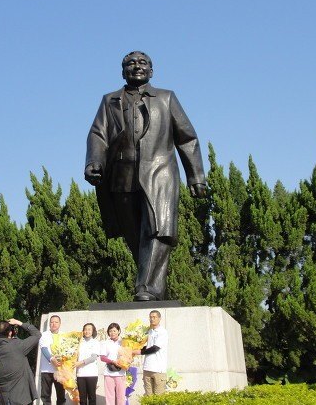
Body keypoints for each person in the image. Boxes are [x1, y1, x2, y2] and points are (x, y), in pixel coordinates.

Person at [85, 51, 207, 301]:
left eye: (143, 63)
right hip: (122, 176)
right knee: (136, 238)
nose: (136, 66)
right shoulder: (109, 101)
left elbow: (187, 138)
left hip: (159, 173)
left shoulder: (166, 98)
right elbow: (98, 134)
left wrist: (195, 176)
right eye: (130, 63)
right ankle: (155, 288)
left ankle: (146, 288)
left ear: (151, 71)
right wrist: (95, 162)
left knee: (157, 230)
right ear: (123, 71)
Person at [0, 318, 42, 405]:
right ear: (10, 332)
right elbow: (37, 334)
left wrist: (12, 336)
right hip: (20, 398)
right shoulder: (18, 346)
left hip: (2, 399)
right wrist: (19, 323)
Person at [139, 310, 168, 396]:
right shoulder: (150, 331)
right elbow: (147, 347)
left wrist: (141, 352)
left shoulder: (162, 332)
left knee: (158, 397)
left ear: (159, 318)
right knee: (148, 397)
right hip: (147, 368)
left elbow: (155, 348)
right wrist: (133, 350)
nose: (152, 319)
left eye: (154, 317)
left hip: (158, 370)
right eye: (150, 317)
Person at [38, 315, 66, 405]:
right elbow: (44, 349)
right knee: (46, 397)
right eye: (52, 322)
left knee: (61, 396)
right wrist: (51, 359)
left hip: (60, 371)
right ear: (50, 323)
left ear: (60, 323)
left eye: (56, 322)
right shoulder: (44, 335)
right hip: (46, 370)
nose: (54, 324)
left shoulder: (64, 335)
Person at [74, 323, 100, 405]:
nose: (87, 331)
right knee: (82, 399)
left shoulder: (95, 342)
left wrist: (80, 363)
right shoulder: (79, 342)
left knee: (92, 398)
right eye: (85, 329)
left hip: (91, 374)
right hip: (80, 374)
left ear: (93, 331)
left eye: (89, 329)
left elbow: (93, 358)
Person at [100, 323, 126, 405]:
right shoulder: (105, 343)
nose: (112, 333)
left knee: (121, 397)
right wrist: (112, 361)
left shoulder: (124, 342)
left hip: (121, 373)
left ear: (118, 331)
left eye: (114, 330)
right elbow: (102, 357)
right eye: (110, 331)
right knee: (109, 397)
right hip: (108, 373)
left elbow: (128, 355)